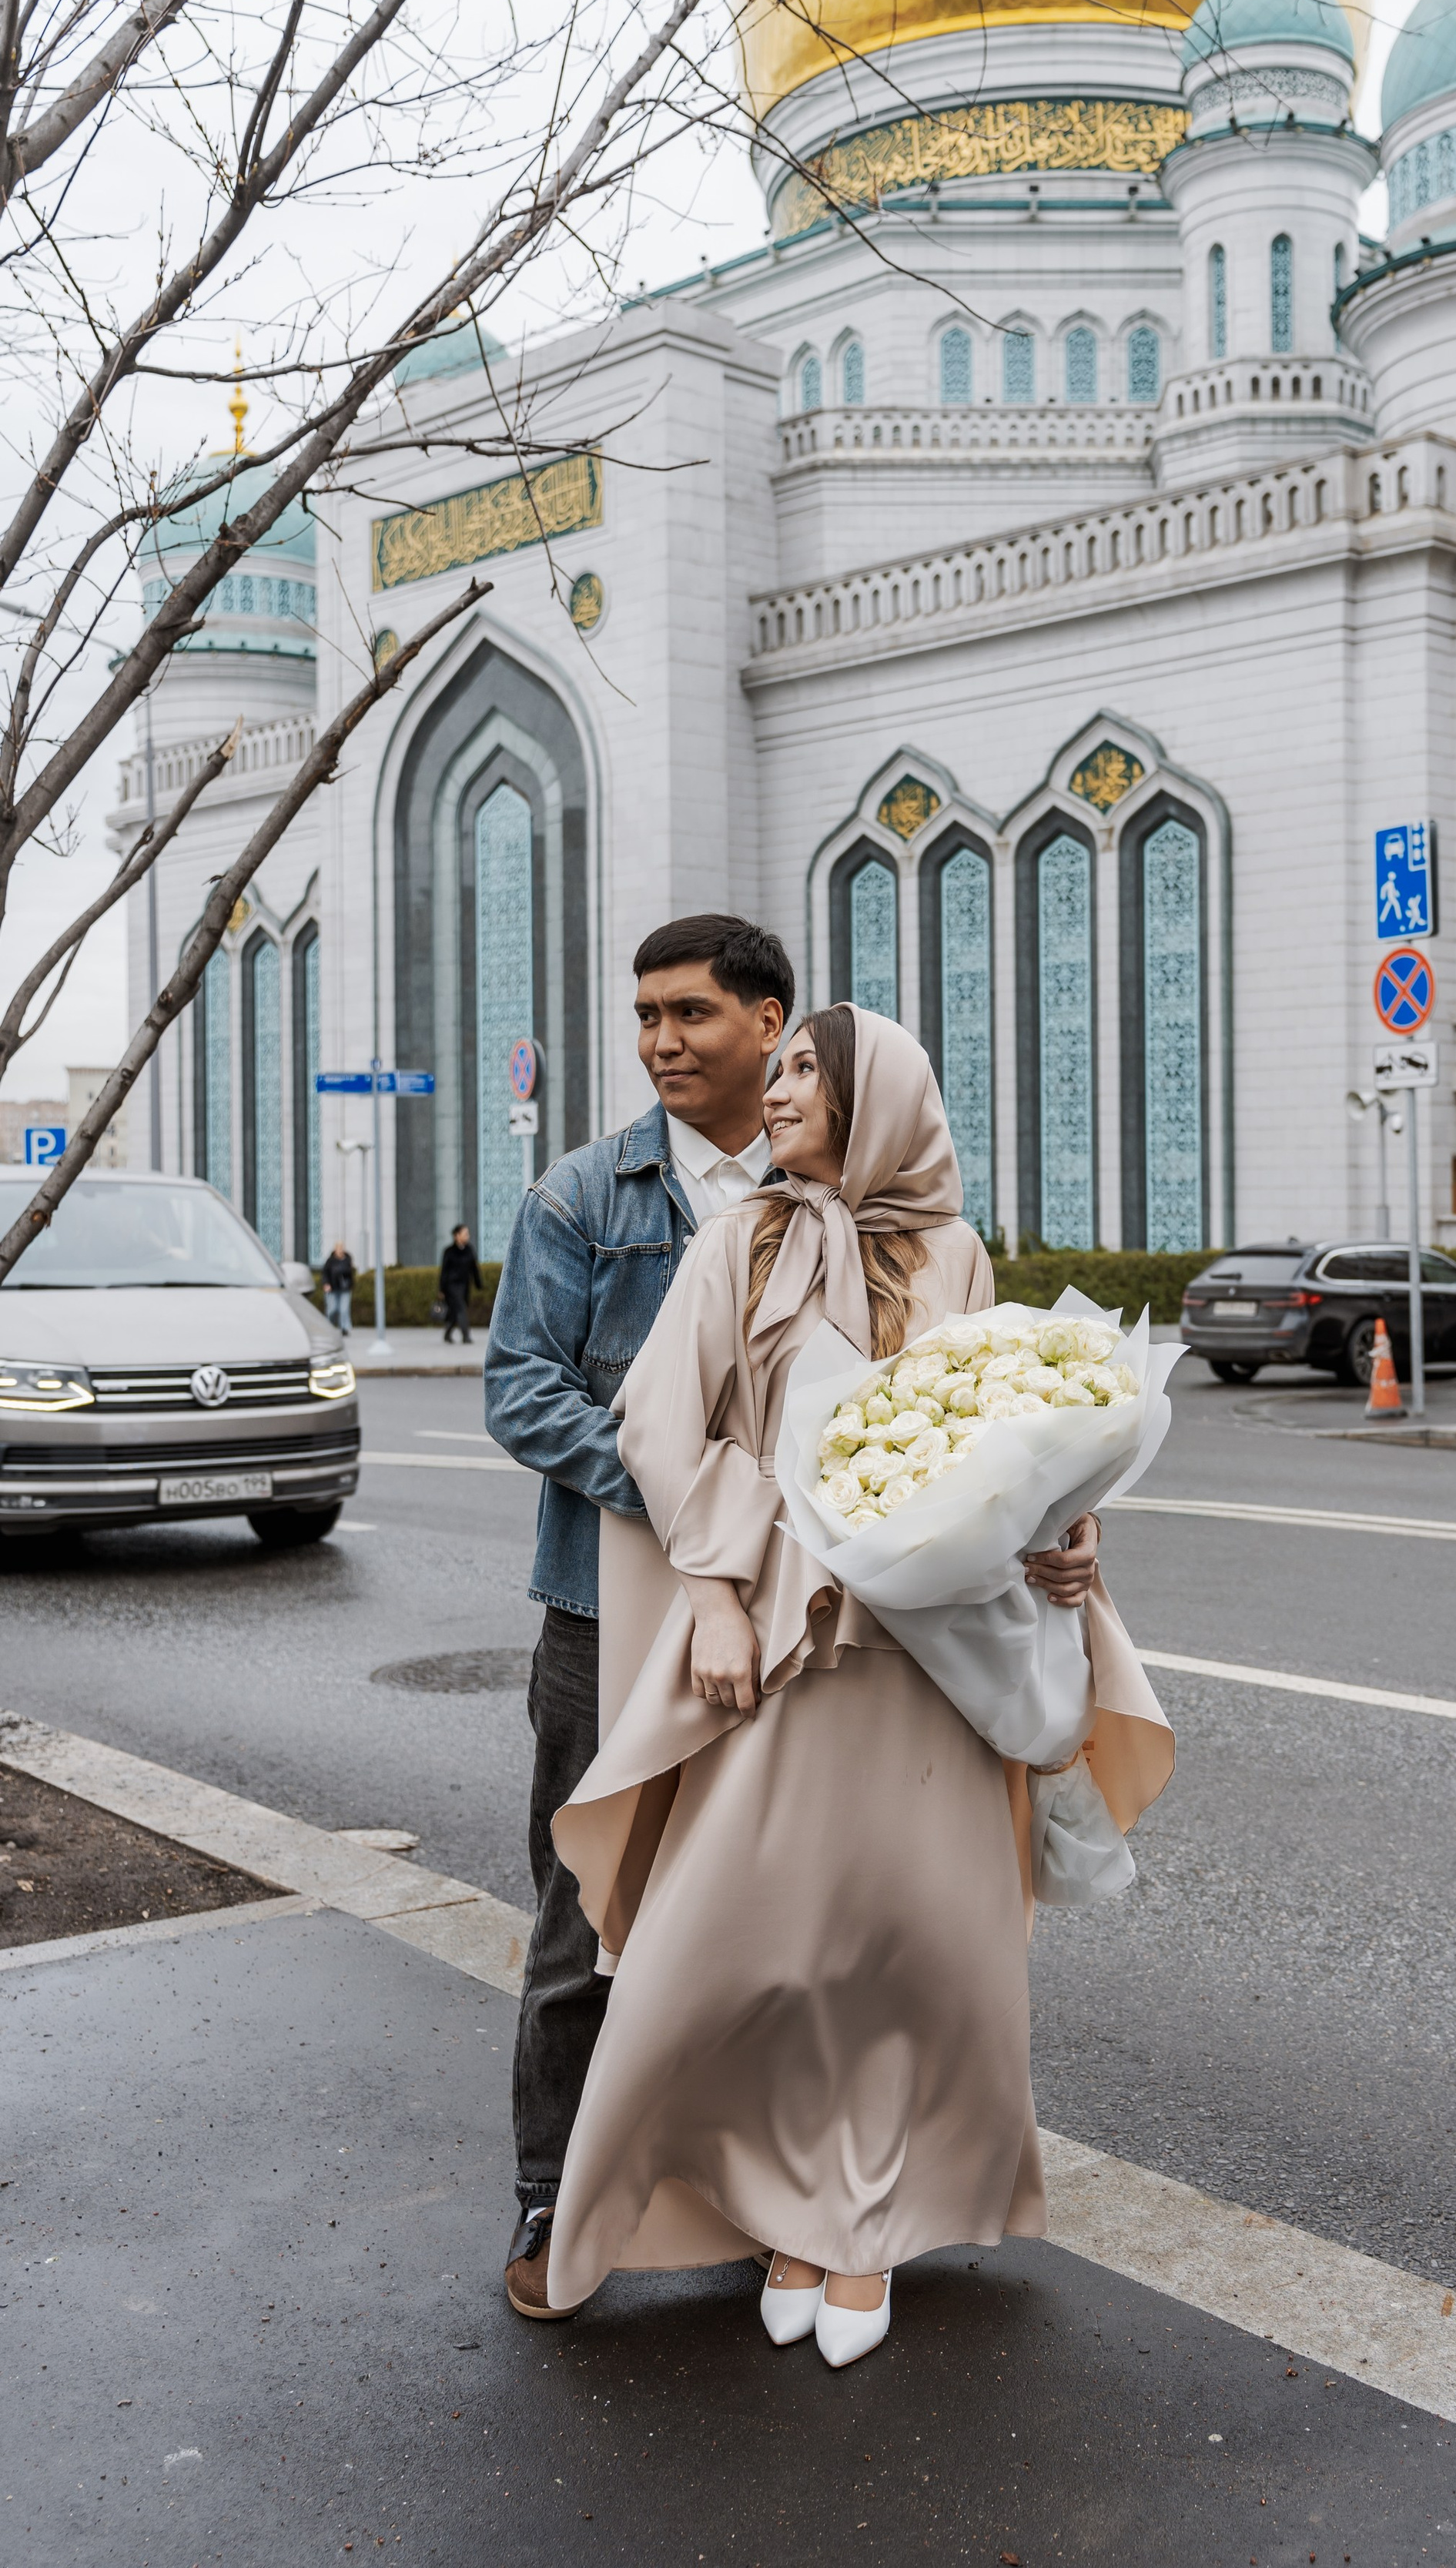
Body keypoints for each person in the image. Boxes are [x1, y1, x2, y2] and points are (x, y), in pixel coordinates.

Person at [543, 1004, 1172, 2366]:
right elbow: (663, 1426)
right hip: (781, 1647)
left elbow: (1014, 1431)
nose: (776, 1094)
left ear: (876, 1096)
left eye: (805, 1073)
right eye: (774, 1076)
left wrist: (1072, 1535)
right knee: (755, 1945)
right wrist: (713, 1588)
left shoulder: (955, 1252)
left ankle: (863, 2223)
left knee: (919, 1951)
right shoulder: (740, 1240)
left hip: (937, 1655)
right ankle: (772, 2203)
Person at [484, 914, 795, 2320]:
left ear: (771, 1020)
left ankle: (763, 2191)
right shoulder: (581, 1197)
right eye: (647, 1019)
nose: (663, 1043)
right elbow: (522, 1390)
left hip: (792, 1618)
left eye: (692, 1016)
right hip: (607, 1613)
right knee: (587, 1909)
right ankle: (556, 2197)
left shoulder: (822, 1185)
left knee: (770, 1910)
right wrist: (690, 1497)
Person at [437, 1223, 481, 1344]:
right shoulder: (449, 1252)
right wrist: (441, 1289)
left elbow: (474, 1268)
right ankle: (466, 1336)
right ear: (456, 1236)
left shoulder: (469, 1250)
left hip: (465, 1285)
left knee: (454, 1311)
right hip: (452, 1286)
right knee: (461, 1308)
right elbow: (444, 1271)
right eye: (465, 1234)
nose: (467, 1236)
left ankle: (447, 1334)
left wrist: (478, 1283)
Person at [320, 1240, 355, 1336]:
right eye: (338, 1248)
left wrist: (350, 1284)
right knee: (332, 1309)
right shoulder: (330, 1261)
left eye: (341, 1248)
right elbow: (325, 1273)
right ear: (335, 1249)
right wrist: (326, 1284)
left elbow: (351, 1274)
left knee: (344, 1309)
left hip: (345, 1288)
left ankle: (344, 1328)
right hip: (332, 1288)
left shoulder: (348, 1259)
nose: (340, 1250)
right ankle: (329, 1326)